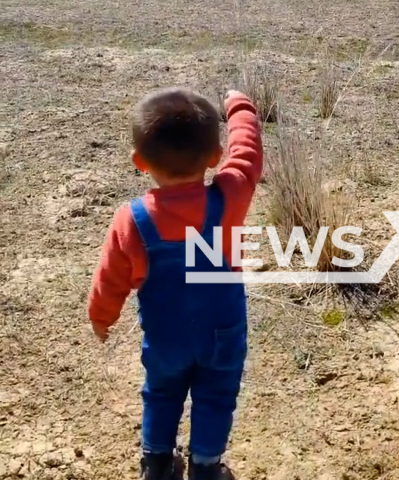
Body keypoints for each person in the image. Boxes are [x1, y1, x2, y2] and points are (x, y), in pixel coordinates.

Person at [88, 86, 263, 480]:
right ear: (215, 158)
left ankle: (156, 464)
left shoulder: (131, 221)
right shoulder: (230, 197)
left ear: (139, 162)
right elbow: (248, 154)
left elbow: (110, 276)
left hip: (165, 336)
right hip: (223, 332)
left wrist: (102, 316)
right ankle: (205, 467)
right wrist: (240, 107)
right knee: (216, 397)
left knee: (161, 393)